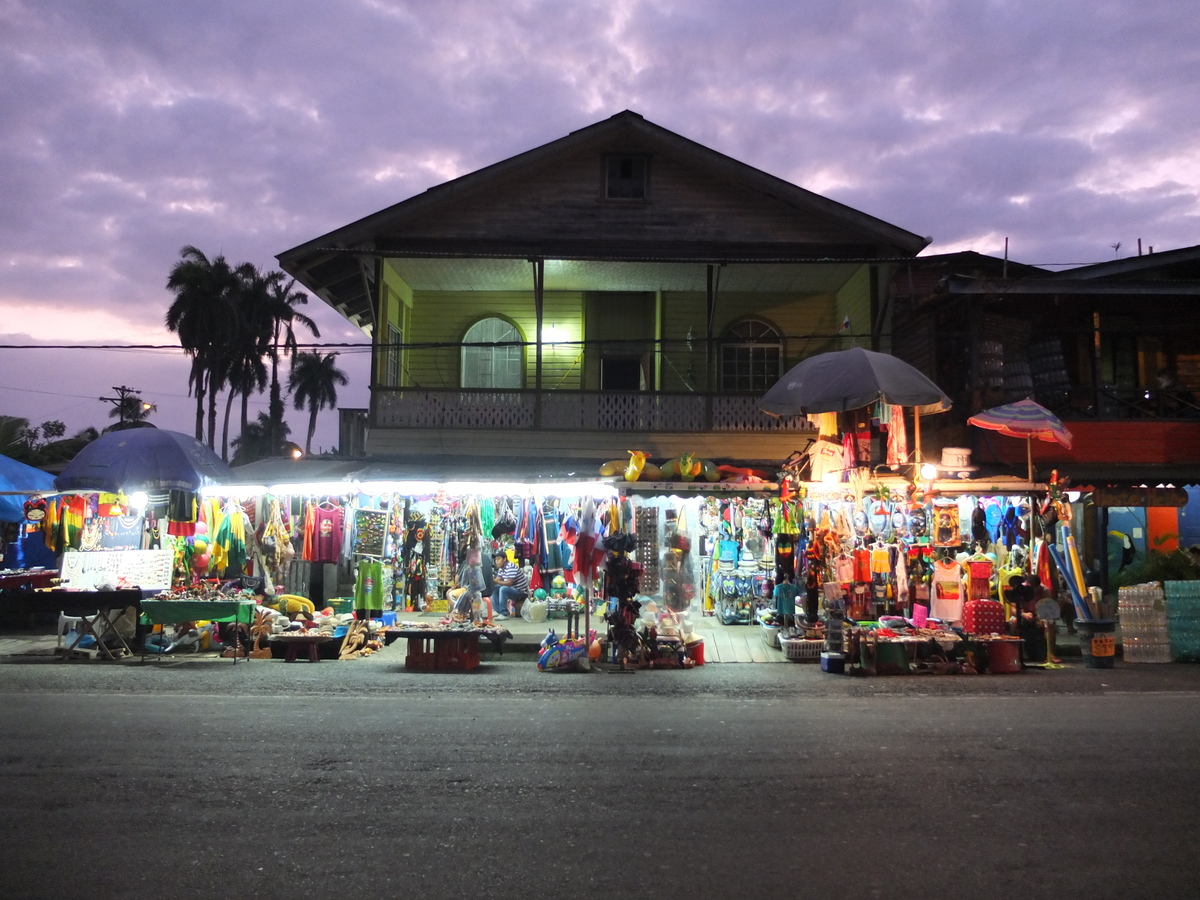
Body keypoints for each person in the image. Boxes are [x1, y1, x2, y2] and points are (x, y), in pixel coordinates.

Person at [492, 551, 529, 618]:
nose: (496, 561)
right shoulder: (501, 568)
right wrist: (491, 580)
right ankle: (498, 611)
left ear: (505, 559)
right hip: (513, 590)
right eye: (496, 560)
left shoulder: (510, 566)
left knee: (503, 589)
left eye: (499, 559)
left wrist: (495, 581)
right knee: (495, 588)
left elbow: (509, 583)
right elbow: (497, 580)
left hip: (522, 592)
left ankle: (504, 613)